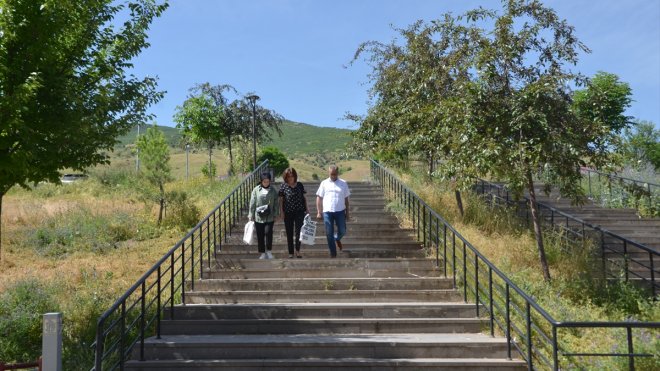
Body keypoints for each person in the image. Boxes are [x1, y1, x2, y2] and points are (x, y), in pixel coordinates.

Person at [316, 165, 350, 258]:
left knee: (342, 231)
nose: (333, 176)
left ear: (338, 173)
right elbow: (319, 197)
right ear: (329, 173)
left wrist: (348, 213)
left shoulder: (343, 183)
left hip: (340, 211)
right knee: (328, 232)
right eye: (331, 174)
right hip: (327, 211)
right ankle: (333, 253)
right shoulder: (324, 183)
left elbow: (346, 199)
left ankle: (336, 238)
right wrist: (319, 212)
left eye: (335, 174)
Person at [249, 172, 280, 259]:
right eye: (264, 181)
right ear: (261, 181)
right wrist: (250, 214)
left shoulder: (273, 190)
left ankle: (269, 251)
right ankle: (262, 252)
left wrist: (276, 214)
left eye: (268, 181)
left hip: (269, 217)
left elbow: (276, 203)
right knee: (260, 235)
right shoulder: (256, 190)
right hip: (258, 217)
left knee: (268, 233)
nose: (266, 183)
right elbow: (252, 202)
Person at [279, 167, 308, 258]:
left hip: (299, 212)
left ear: (295, 176)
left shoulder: (299, 185)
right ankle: (291, 252)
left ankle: (298, 251)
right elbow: (281, 200)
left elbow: (304, 198)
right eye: (288, 176)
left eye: (292, 176)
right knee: (289, 233)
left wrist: (307, 209)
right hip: (288, 212)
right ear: (285, 177)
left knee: (299, 232)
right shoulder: (283, 186)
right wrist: (282, 212)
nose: (290, 178)